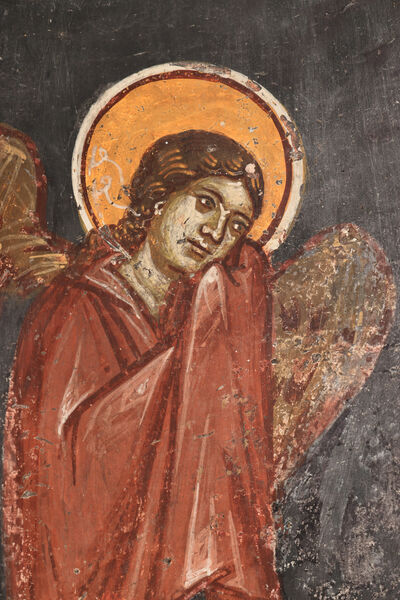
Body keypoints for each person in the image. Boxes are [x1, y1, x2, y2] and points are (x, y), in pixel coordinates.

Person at [2, 130, 282, 599]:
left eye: (236, 226)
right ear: (160, 196)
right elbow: (54, 467)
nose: (215, 234)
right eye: (206, 203)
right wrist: (181, 371)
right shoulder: (75, 304)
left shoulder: (213, 318)